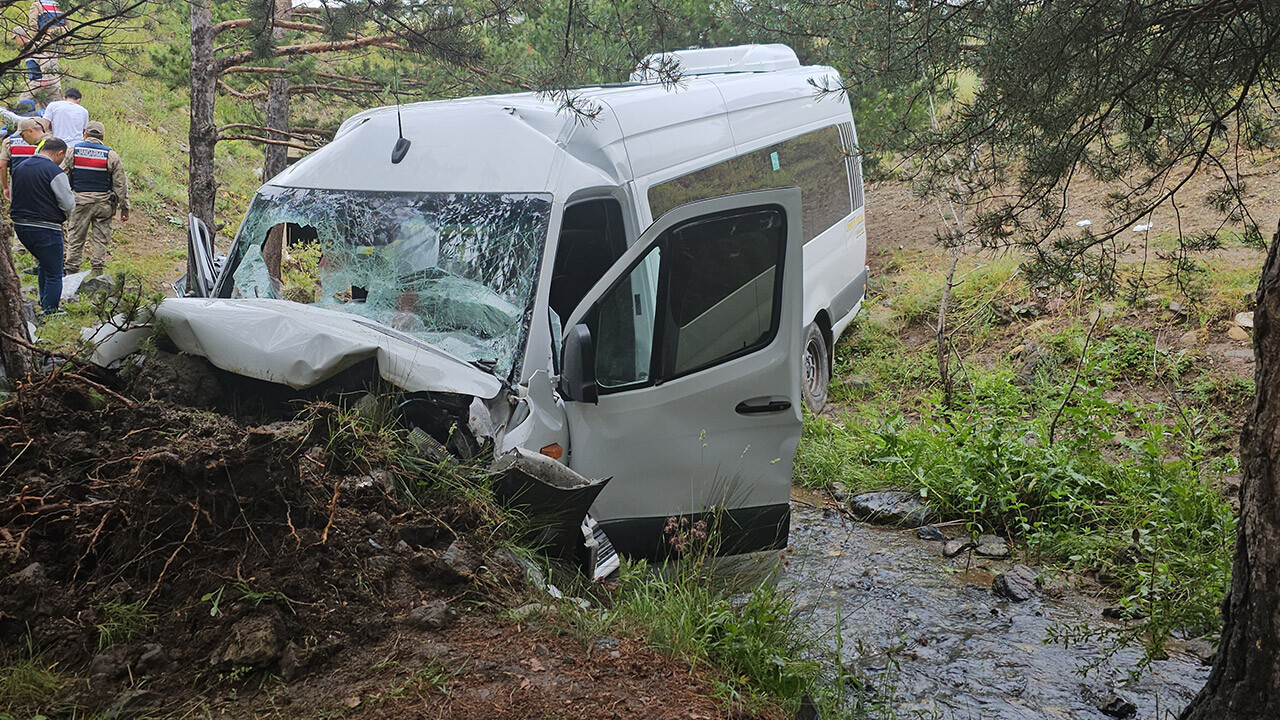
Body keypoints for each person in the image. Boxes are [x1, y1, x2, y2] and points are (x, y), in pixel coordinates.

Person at [10, 136, 73, 315]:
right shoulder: (54, 171)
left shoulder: (20, 167)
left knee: (45, 264)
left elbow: (14, 196)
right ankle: (50, 310)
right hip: (46, 227)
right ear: (60, 153)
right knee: (55, 270)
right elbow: (68, 204)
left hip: (21, 226)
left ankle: (44, 301)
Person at [63, 121, 128, 277]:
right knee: (101, 239)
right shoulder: (111, 155)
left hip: (79, 202)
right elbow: (120, 184)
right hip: (104, 204)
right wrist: (124, 208)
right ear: (103, 137)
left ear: (85, 133)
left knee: (76, 238)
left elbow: (62, 176)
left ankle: (71, 273)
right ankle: (97, 274)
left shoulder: (72, 152)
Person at [0, 116, 50, 200]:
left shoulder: (9, 141)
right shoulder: (52, 142)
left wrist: (6, 187)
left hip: (18, 183)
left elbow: (2, 165)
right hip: (42, 184)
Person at [11, 27, 60, 108]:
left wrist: (45, 78)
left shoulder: (33, 47)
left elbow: (45, 61)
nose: (16, 42)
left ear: (21, 36)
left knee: (23, 101)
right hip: (51, 82)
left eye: (16, 39)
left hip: (40, 81)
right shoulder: (30, 48)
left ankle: (19, 118)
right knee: (48, 107)